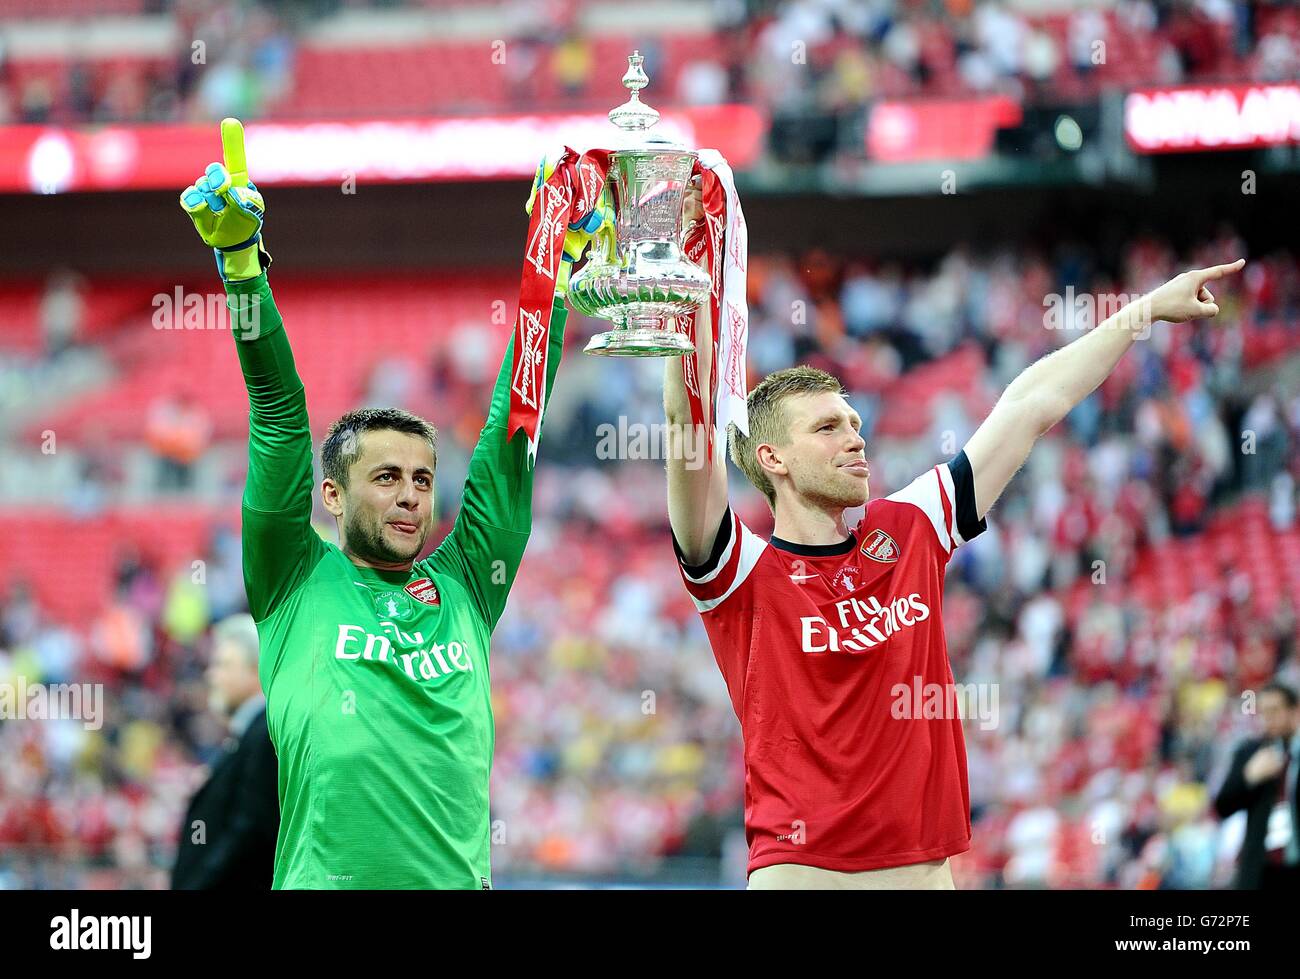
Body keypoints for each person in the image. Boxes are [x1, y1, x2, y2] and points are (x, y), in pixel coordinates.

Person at [663, 181, 1244, 888]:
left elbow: (1030, 404)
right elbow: (686, 435)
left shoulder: (910, 526)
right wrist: (686, 276)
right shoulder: (741, 574)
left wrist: (1144, 310)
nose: (856, 438)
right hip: (799, 875)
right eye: (827, 427)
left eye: (854, 423)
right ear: (770, 458)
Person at [178, 120, 594, 888]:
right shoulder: (293, 579)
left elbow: (513, 428)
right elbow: (276, 407)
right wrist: (242, 268)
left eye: (422, 477)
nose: (409, 494)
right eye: (385, 476)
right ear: (330, 495)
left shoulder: (467, 582)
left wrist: (553, 274)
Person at [172, 614, 278, 889]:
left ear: (257, 670)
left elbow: (248, 831)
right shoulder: (248, 736)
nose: (211, 675)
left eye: (223, 665)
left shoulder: (264, 734)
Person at [1214, 681, 1299, 889]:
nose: (1269, 719)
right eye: (1264, 712)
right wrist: (1248, 777)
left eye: (1275, 710)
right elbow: (1222, 806)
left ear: (1294, 711)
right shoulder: (1250, 752)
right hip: (1262, 868)